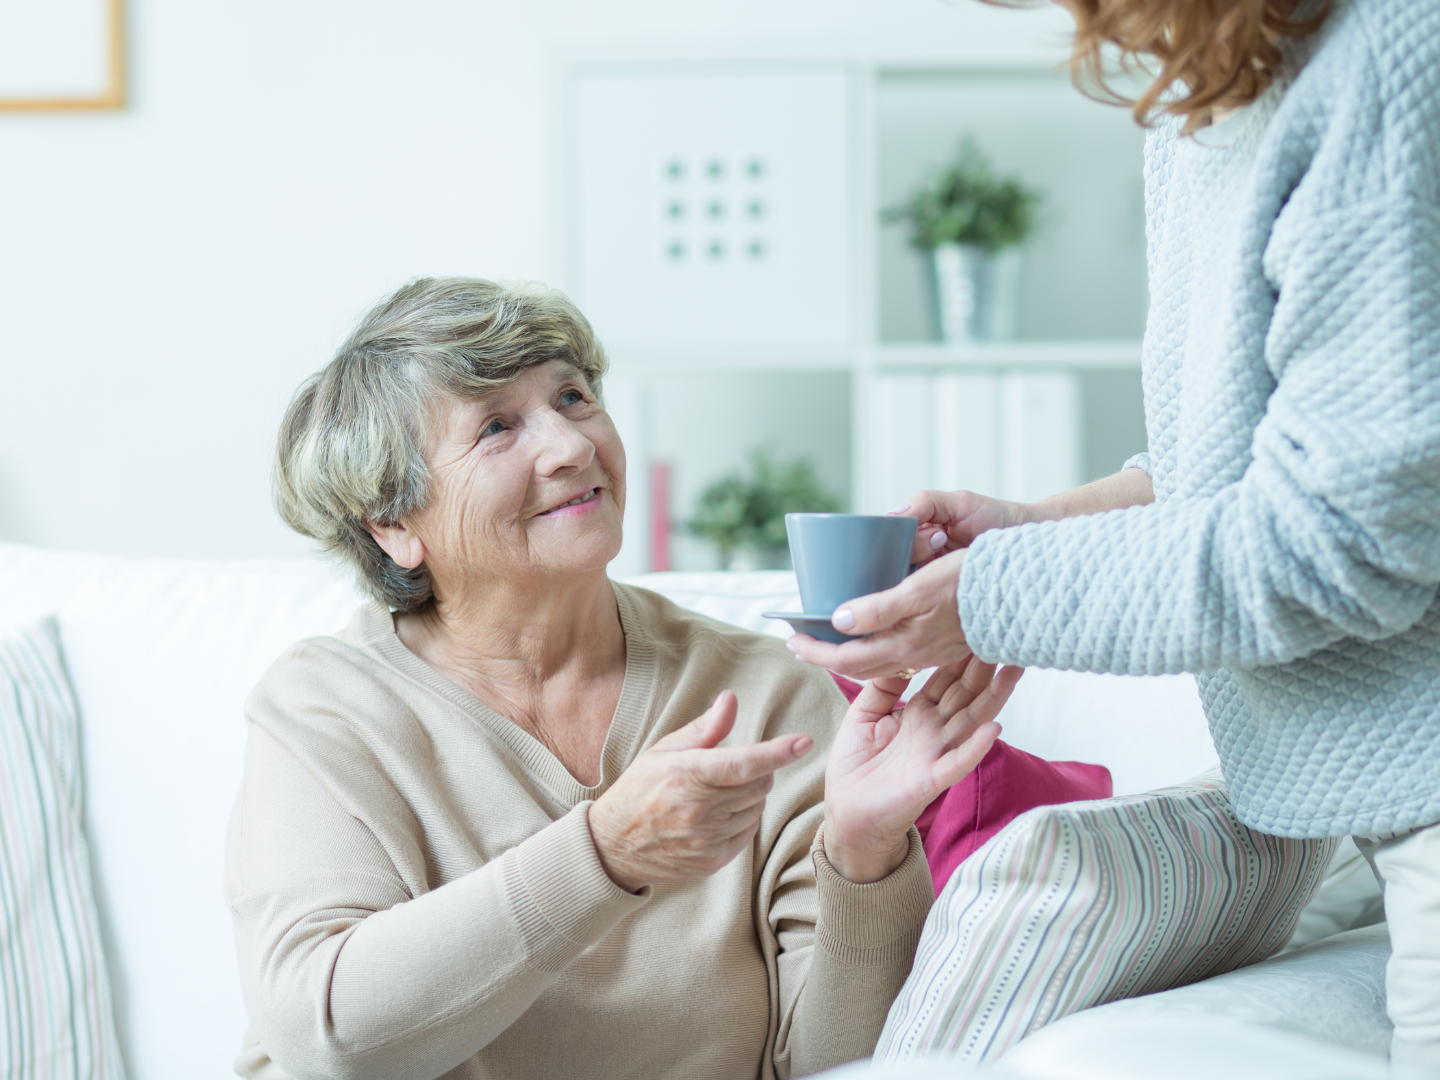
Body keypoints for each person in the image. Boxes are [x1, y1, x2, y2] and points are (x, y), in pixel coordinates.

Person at [787, 0, 1440, 1075]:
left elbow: (1345, 538)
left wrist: (992, 593)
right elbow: (1241, 462)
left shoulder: (1388, 48)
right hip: (1377, 802)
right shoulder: (1196, 97)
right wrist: (1037, 527)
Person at [225, 277, 1021, 1080]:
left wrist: (865, 855)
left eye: (572, 397)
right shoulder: (329, 709)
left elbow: (824, 1066)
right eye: (497, 427)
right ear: (393, 524)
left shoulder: (763, 693)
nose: (571, 446)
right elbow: (323, 1037)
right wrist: (606, 854)